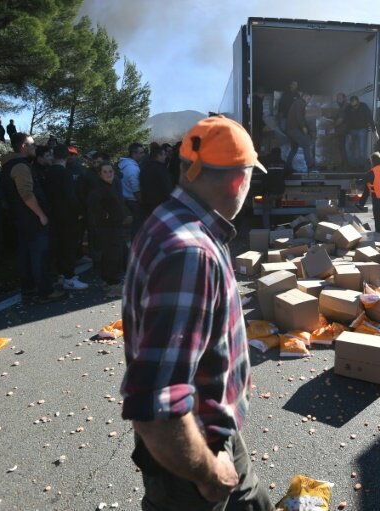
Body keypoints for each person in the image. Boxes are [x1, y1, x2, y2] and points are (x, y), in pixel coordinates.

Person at [120, 115, 274, 511]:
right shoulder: (192, 253)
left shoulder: (169, 220)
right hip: (193, 457)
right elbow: (158, 407)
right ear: (240, 181)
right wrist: (207, 473)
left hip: (207, 430)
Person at [1, 132, 65, 303]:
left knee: (26, 255)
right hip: (31, 219)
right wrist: (41, 215)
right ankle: (45, 291)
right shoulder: (21, 166)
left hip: (20, 219)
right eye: (32, 144)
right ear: (23, 146)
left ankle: (29, 290)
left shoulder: (9, 164)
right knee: (40, 255)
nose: (35, 147)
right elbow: (26, 195)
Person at [44, 145, 88, 290]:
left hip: (54, 214)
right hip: (68, 216)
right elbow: (70, 196)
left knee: (58, 247)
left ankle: (60, 275)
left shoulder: (48, 171)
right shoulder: (65, 173)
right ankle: (68, 277)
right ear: (67, 156)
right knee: (69, 247)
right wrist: (80, 211)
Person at [87, 161, 127, 298]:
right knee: (113, 254)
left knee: (112, 253)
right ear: (99, 174)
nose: (109, 174)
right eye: (105, 172)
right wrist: (106, 215)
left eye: (110, 171)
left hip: (115, 225)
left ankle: (107, 280)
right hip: (107, 227)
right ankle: (113, 285)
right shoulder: (99, 188)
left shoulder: (112, 185)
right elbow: (92, 205)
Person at [119, 142, 146, 239]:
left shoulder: (123, 165)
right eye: (141, 152)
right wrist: (143, 203)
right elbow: (136, 189)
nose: (143, 155)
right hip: (133, 201)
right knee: (137, 227)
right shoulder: (132, 169)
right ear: (134, 153)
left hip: (126, 200)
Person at [140, 142, 173, 217]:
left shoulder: (144, 168)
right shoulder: (161, 169)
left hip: (148, 205)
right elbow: (167, 187)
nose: (165, 157)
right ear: (159, 155)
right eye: (164, 154)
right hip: (162, 204)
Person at [285, 91, 315, 173]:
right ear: (305, 96)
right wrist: (304, 127)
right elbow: (299, 116)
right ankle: (310, 167)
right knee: (306, 145)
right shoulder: (300, 103)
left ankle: (287, 166)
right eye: (308, 98)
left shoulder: (296, 103)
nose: (309, 101)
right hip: (295, 129)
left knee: (294, 149)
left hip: (290, 130)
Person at [344, 96, 375, 168]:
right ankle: (352, 164)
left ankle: (361, 165)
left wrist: (374, 130)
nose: (354, 106)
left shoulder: (364, 106)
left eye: (355, 103)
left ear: (358, 101)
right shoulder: (348, 108)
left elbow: (369, 118)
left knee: (362, 148)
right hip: (351, 130)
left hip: (362, 129)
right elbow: (346, 121)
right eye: (352, 104)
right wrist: (347, 133)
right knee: (349, 147)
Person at [332, 92, 350, 167]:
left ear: (344, 98)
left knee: (342, 147)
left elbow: (341, 119)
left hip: (343, 131)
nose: (337, 100)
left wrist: (332, 126)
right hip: (342, 131)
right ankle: (344, 163)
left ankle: (345, 164)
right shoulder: (342, 107)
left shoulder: (344, 107)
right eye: (337, 99)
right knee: (341, 147)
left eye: (339, 98)